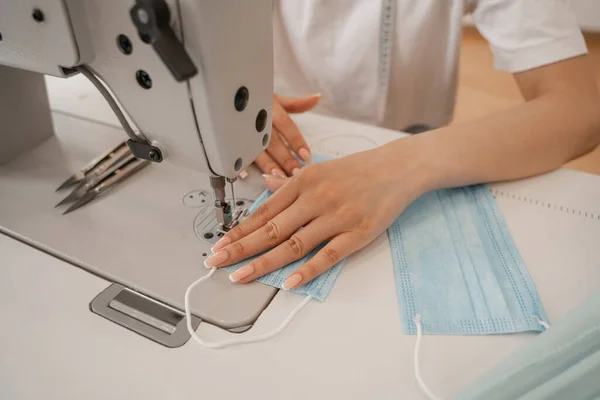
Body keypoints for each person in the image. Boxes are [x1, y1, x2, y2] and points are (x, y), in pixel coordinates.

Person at [206, 1, 600, 290]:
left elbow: (578, 110)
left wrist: (399, 166)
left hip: (414, 146)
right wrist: (231, 88)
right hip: (289, 139)